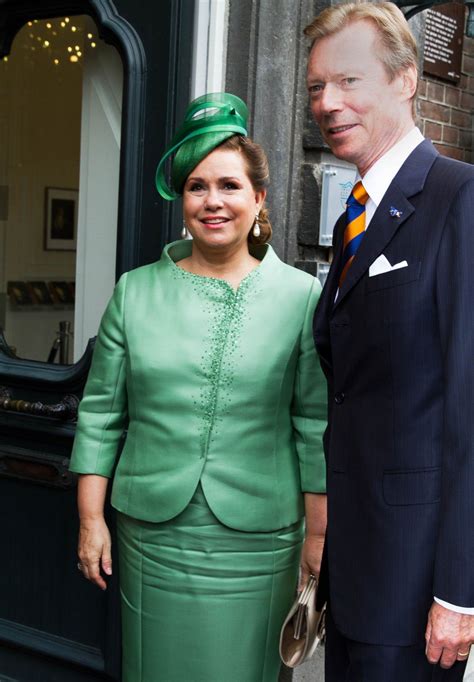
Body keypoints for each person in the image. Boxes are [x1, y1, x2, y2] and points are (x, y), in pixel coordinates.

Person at [69, 92, 327, 682]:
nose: (213, 201)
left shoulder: (301, 298)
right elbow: (101, 414)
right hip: (151, 537)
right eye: (197, 186)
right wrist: (90, 519)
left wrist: (317, 539)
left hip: (262, 541)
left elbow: (316, 426)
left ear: (259, 198)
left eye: (230, 186)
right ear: (182, 199)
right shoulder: (136, 291)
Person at [305, 3, 474, 680]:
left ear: (406, 81)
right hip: (354, 573)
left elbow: (469, 407)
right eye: (316, 87)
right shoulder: (358, 209)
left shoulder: (458, 199)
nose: (327, 102)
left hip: (415, 587)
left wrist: (459, 592)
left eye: (348, 81)